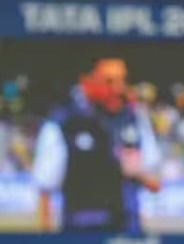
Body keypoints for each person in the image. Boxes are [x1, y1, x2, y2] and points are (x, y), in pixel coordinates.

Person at [31, 58, 161, 233]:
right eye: (109, 81)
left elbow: (155, 182)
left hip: (126, 234)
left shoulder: (135, 120)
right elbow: (44, 190)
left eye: (122, 80)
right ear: (87, 82)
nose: (117, 89)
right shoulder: (63, 123)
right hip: (82, 232)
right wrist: (46, 242)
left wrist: (137, 173)